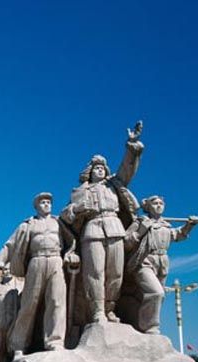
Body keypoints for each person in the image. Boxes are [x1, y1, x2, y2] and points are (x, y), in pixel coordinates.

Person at [61, 122, 144, 324]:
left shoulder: (114, 185)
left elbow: (127, 168)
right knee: (94, 272)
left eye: (102, 168)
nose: (99, 170)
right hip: (92, 230)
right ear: (89, 171)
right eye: (96, 168)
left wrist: (131, 144)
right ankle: (97, 310)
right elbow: (66, 214)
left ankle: (110, 308)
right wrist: (78, 209)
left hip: (114, 227)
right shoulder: (80, 191)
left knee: (115, 272)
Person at [0, 192, 78, 360]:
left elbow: (72, 242)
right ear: (37, 206)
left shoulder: (59, 223)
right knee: (29, 304)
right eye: (43, 202)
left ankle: (55, 341)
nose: (47, 205)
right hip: (36, 261)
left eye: (49, 202)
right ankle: (18, 345)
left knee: (56, 301)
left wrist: (71, 254)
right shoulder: (28, 225)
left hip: (55, 261)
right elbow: (10, 245)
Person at [122, 195, 198, 333]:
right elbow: (125, 242)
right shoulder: (141, 222)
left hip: (162, 262)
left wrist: (190, 225)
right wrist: (141, 231)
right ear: (148, 207)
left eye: (161, 203)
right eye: (155, 203)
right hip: (144, 261)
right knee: (156, 293)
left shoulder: (166, 224)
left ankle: (140, 324)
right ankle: (150, 327)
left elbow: (178, 235)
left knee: (160, 295)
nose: (159, 205)